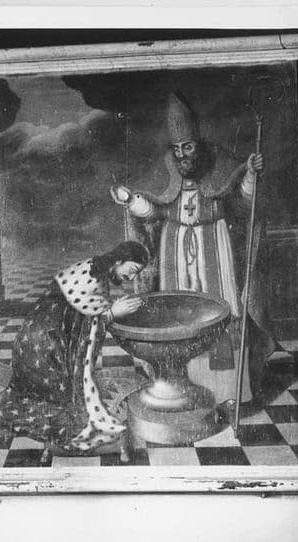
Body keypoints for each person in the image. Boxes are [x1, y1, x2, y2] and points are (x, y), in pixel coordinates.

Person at [111, 92, 274, 404]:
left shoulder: (220, 167)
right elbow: (153, 211)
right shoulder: (168, 171)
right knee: (178, 317)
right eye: (177, 149)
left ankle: (226, 392)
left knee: (223, 313)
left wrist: (251, 174)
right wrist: (130, 200)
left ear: (198, 144)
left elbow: (243, 204)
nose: (182, 154)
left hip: (215, 249)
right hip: (172, 252)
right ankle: (182, 391)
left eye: (187, 147)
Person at [0, 241, 149, 452]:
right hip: (45, 351)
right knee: (72, 416)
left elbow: (81, 317)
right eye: (132, 270)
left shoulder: (95, 269)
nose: (132, 277)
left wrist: (109, 313)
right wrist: (111, 314)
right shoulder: (91, 276)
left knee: (59, 401)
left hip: (43, 345)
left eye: (136, 274)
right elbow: (81, 324)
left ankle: (18, 393)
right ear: (119, 260)